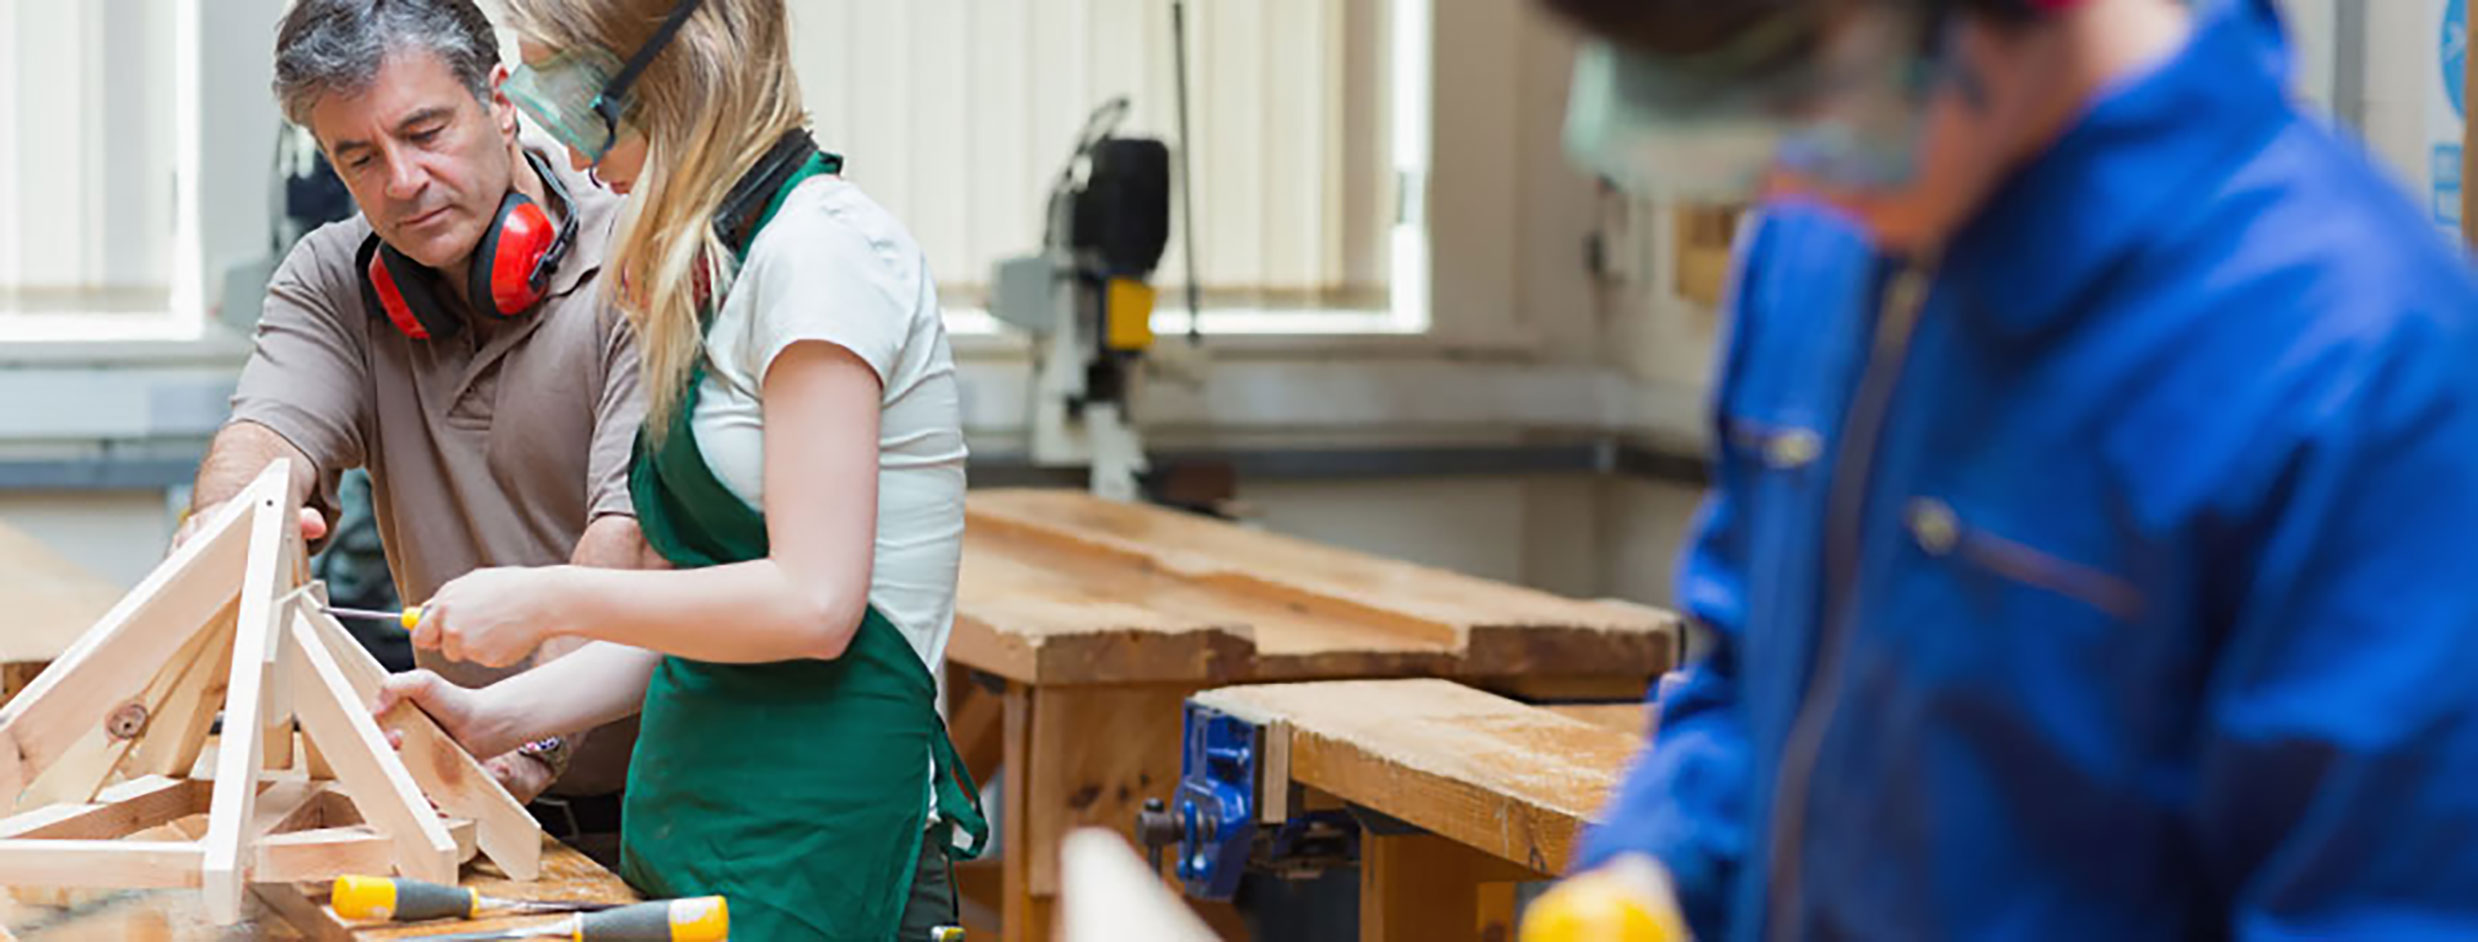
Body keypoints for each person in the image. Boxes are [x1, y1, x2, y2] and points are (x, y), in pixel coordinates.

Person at [1534, 0, 2478, 938]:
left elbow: (2373, 907)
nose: (1786, 174)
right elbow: (1749, 676)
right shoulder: (1815, 246)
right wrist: (1655, 863)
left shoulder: (2359, 367)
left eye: (1811, 95)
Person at [369, 1, 988, 938]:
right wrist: (494, 718)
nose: (572, 151)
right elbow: (681, 614)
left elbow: (813, 606)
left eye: (570, 91)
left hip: (825, 853)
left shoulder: (824, 255)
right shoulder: (715, 266)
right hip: (700, 842)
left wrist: (550, 598)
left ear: (670, 66)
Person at [196, 0, 649, 856]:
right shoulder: (334, 278)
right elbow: (262, 443)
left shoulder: (640, 250)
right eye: (359, 158)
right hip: (465, 797)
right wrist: (228, 526)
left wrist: (525, 744)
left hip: (659, 805)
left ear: (502, 101)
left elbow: (623, 541)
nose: (401, 183)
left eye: (426, 131)